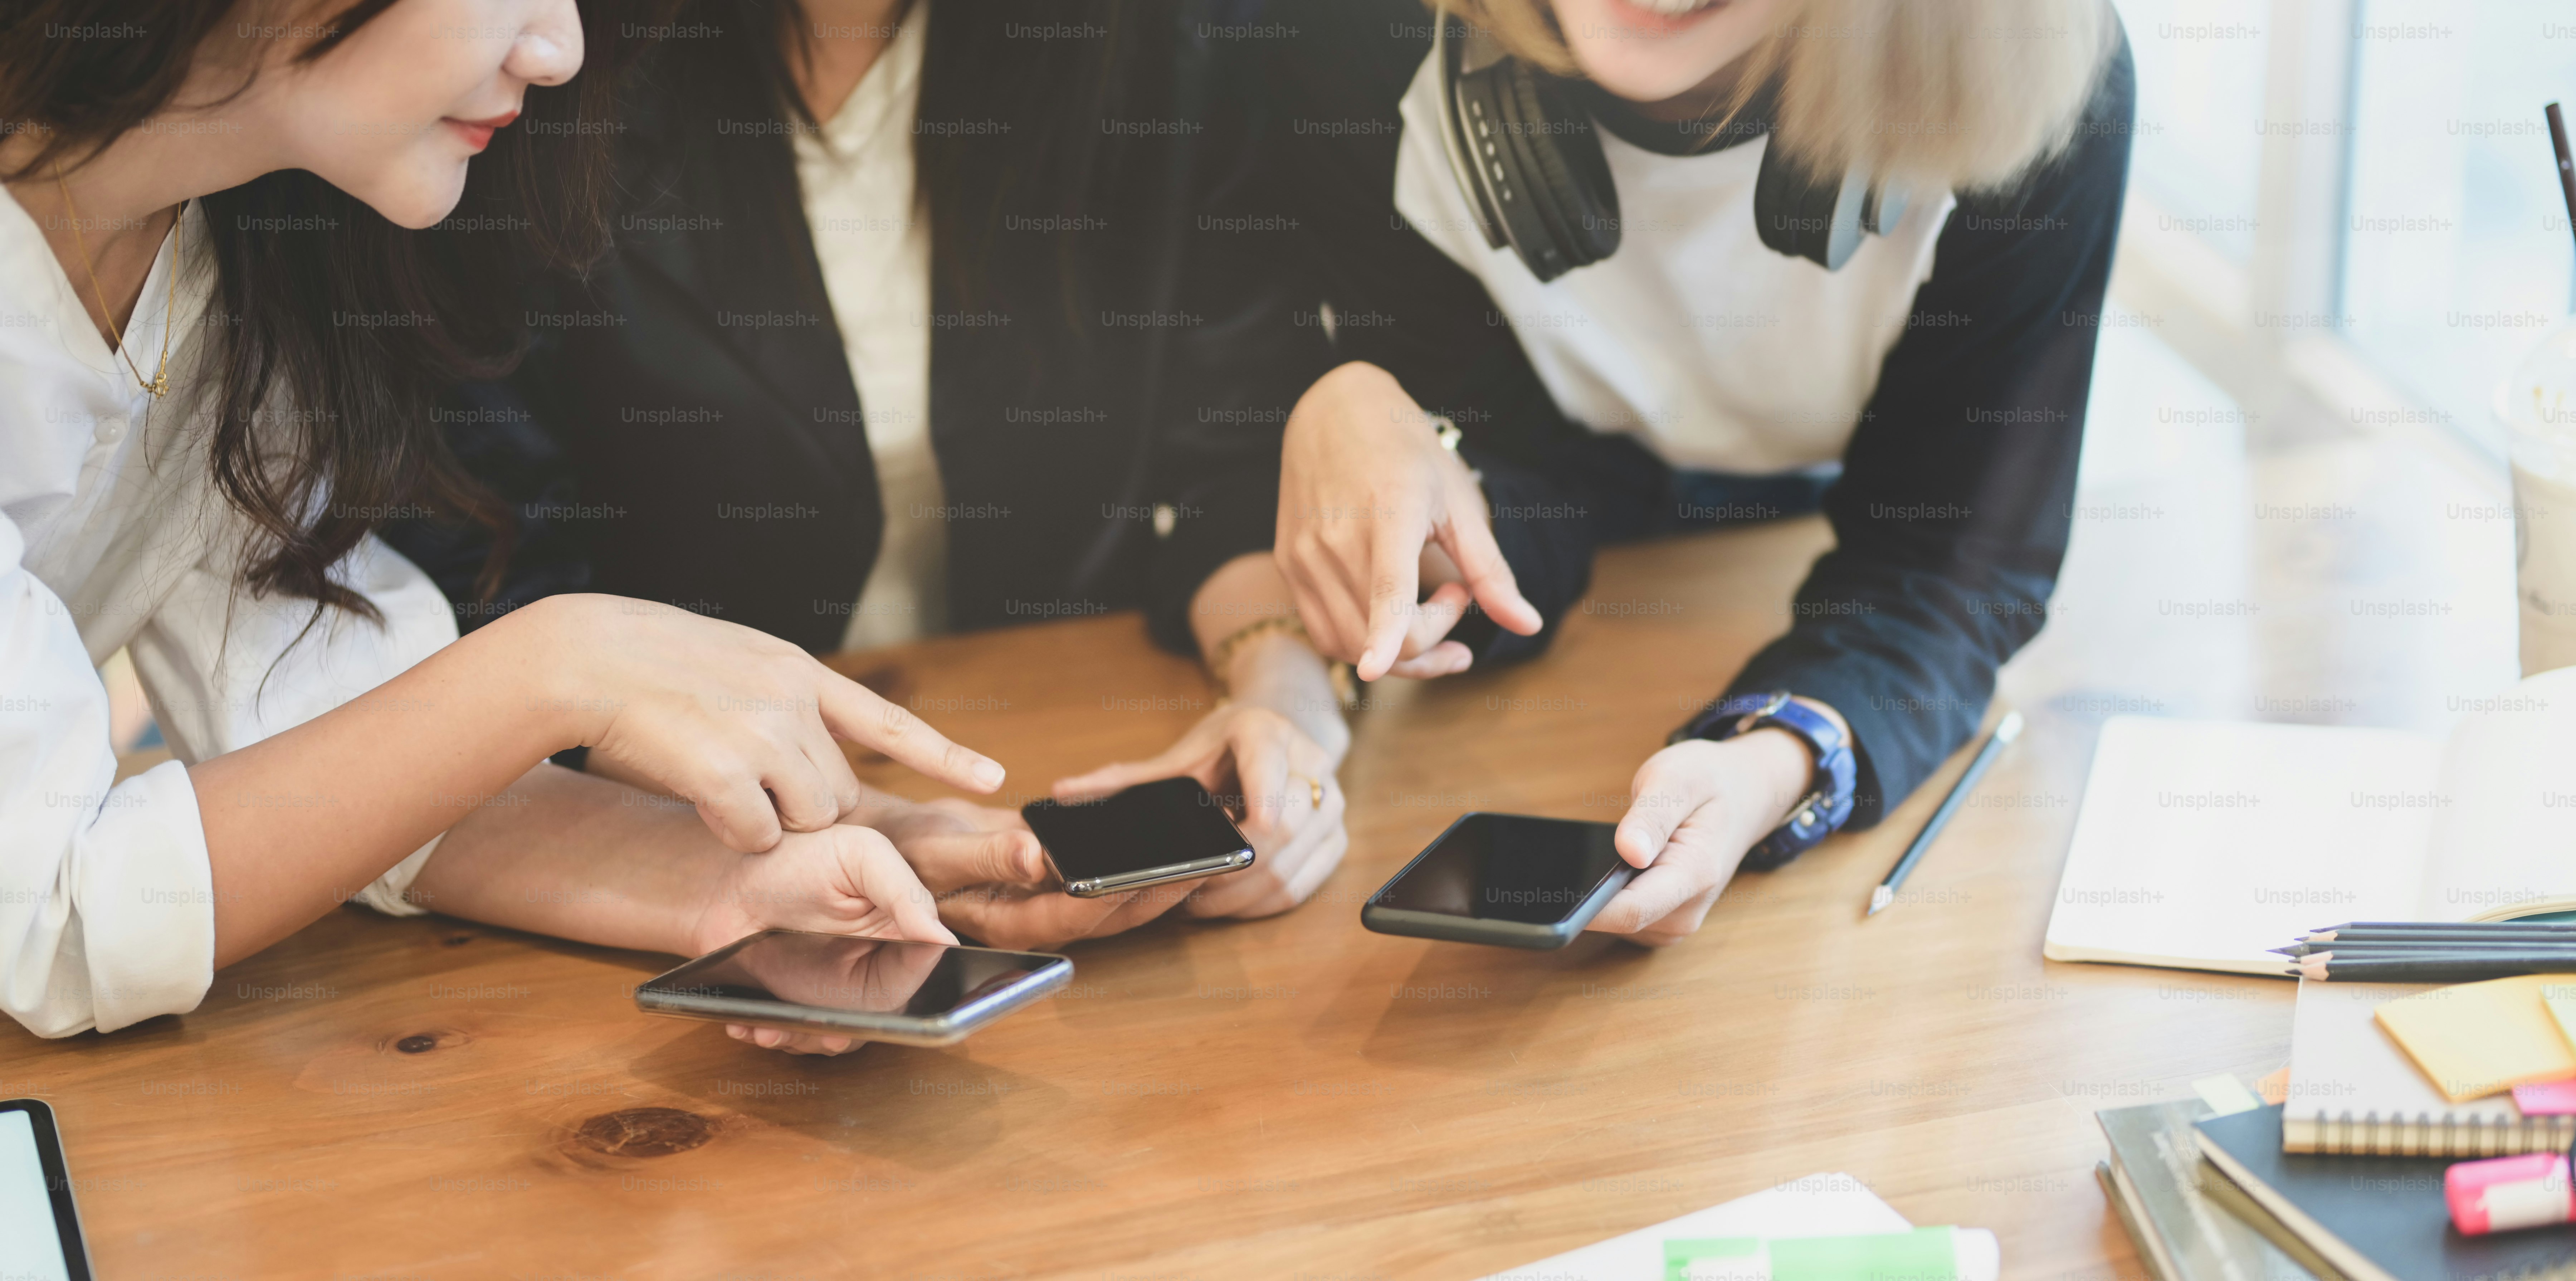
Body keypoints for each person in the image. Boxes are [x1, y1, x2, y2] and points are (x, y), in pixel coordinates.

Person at [0, 0, 1008, 1046]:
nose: (560, 50)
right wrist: (561, 663)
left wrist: (750, 884)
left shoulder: (235, 240)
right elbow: (56, 913)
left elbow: (334, 731)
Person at [384, 0, 1353, 948]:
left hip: (1049, 736)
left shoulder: (1166, 39)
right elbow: (481, 569)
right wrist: (823, 827)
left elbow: (1237, 456)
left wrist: (1282, 700)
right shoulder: (530, 56)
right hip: (639, 827)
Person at [1260, 0, 2134, 941]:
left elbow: (1954, 564)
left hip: (1804, 523)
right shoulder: (1346, 38)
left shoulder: (2029, 66)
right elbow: (1507, 489)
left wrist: (1765, 769)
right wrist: (1394, 480)